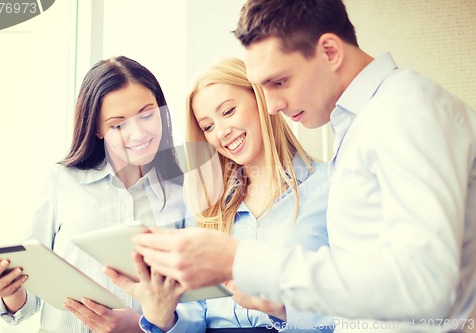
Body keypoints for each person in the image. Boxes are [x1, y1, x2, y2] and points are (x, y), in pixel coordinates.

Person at [129, 1, 476, 332]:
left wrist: (241, 260)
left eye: (279, 82)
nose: (273, 106)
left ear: (329, 51)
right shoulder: (360, 126)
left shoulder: (406, 111)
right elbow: (369, 284)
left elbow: (427, 285)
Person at [106, 57, 333, 332]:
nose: (222, 132)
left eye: (228, 112)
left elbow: (357, 303)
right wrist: (164, 318)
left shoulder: (328, 186)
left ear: (261, 100)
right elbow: (195, 313)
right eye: (208, 127)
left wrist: (279, 308)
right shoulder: (204, 204)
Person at [0, 56, 201, 333]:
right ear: (97, 128)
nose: (138, 133)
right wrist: (9, 290)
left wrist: (140, 325)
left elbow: (198, 305)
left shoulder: (183, 192)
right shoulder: (61, 181)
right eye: (118, 125)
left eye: (147, 115)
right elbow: (30, 299)